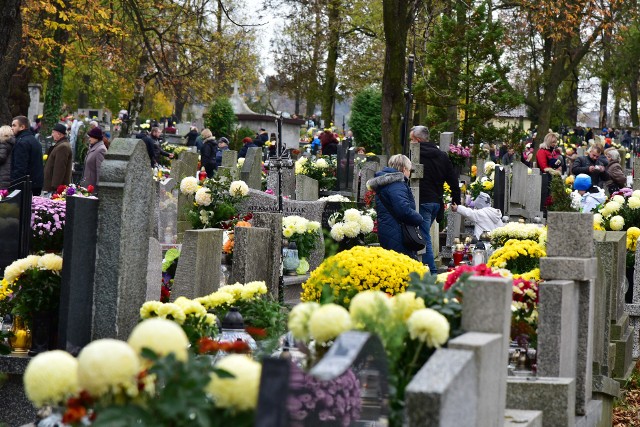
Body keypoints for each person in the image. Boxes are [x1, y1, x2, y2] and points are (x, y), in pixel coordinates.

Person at [412, 125, 461, 273]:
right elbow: (453, 179)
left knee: (423, 236)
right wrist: (455, 199)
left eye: (412, 140)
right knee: (422, 235)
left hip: (422, 200)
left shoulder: (415, 154)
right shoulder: (442, 156)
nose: (411, 143)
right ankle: (419, 268)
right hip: (435, 202)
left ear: (418, 140)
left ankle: (432, 273)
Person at [366, 154, 424, 259]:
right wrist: (419, 218)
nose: (409, 173)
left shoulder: (385, 183)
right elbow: (403, 210)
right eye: (409, 170)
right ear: (404, 169)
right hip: (398, 233)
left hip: (388, 229)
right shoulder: (397, 185)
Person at [10, 115, 44, 195]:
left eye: (14, 125)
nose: (12, 128)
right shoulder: (33, 140)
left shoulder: (22, 142)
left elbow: (20, 167)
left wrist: (14, 187)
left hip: (25, 185)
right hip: (35, 183)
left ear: (22, 127)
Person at [43, 123, 73, 193]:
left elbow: (60, 168)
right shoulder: (60, 145)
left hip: (55, 188)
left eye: (53, 132)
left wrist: (56, 187)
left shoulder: (63, 147)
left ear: (59, 134)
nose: (52, 134)